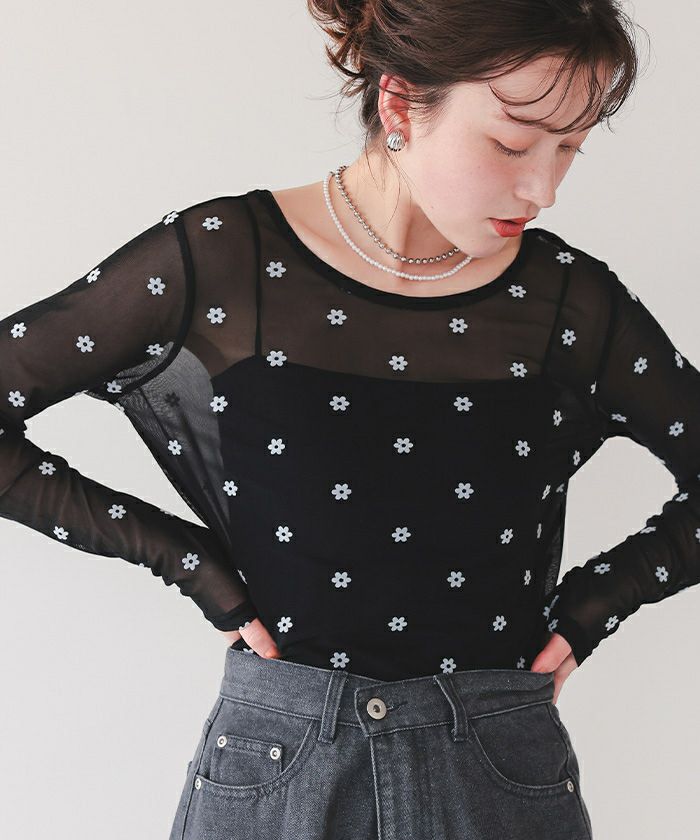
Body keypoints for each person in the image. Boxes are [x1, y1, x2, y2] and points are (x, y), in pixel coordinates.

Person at [1, 1, 696, 838]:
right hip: (279, 771)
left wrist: (597, 604)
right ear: (400, 102)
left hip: (498, 771)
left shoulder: (572, 304)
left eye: (570, 148)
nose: (543, 189)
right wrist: (186, 561)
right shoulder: (223, 259)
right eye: (514, 144)